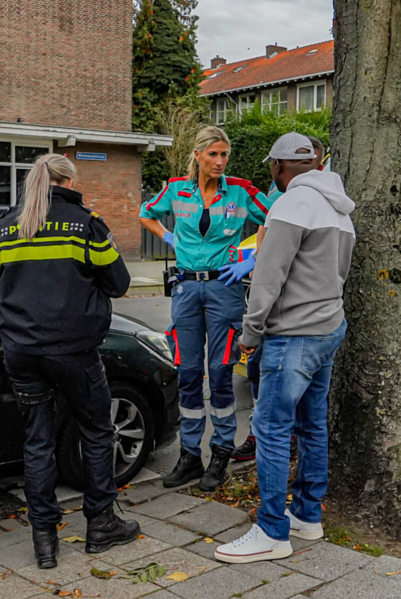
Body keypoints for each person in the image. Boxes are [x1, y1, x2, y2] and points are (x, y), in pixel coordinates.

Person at [0, 153, 139, 570]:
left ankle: (44, 541)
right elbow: (119, 283)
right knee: (97, 431)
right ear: (68, 181)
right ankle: (101, 523)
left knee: (37, 441)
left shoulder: (2, 229)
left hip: (22, 352)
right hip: (74, 351)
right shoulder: (84, 224)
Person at [215, 134, 355, 563]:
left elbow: (267, 277)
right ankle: (307, 516)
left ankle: (272, 531)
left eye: (271, 168)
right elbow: (341, 271)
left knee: (272, 429)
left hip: (291, 334)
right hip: (327, 328)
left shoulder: (290, 205)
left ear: (278, 167)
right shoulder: (339, 207)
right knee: (312, 425)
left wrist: (250, 333)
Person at [139, 126, 269, 491]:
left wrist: (253, 258)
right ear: (197, 155)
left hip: (223, 286)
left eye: (224, 154)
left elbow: (277, 221)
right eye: (213, 154)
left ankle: (222, 452)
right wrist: (167, 236)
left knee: (222, 371)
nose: (220, 161)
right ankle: (190, 456)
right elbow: (145, 212)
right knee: (189, 372)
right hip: (185, 287)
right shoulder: (177, 189)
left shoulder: (242, 192)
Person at [233, 135, 325, 462]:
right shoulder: (279, 192)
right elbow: (264, 227)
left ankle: (278, 445)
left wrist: (251, 329)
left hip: (291, 318)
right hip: (285, 314)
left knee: (287, 400)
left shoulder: (310, 198)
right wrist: (258, 256)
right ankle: (259, 435)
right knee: (259, 376)